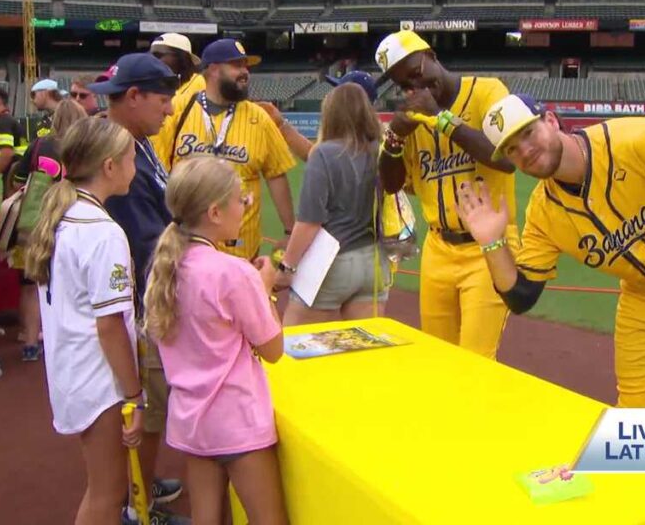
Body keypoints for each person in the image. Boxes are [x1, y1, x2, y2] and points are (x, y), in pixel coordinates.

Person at [455, 95, 645, 409]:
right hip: (644, 301)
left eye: (528, 133)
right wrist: (491, 242)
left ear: (551, 121)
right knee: (632, 416)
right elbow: (522, 296)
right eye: (511, 149)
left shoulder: (636, 140)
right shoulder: (544, 213)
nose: (525, 151)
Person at [144, 157, 288, 525]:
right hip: (237, 421)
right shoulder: (233, 272)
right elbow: (273, 349)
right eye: (241, 199)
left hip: (192, 422)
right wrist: (265, 290)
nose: (246, 206)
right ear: (214, 212)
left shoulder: (166, 268)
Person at [22, 117, 144, 524]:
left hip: (73, 370)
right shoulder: (103, 232)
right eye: (131, 158)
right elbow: (110, 325)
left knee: (103, 489)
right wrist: (134, 394)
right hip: (99, 379)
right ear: (109, 166)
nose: (135, 167)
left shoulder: (63, 214)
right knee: (108, 494)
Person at [86, 53, 189, 525]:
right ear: (133, 96)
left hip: (146, 296)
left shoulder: (138, 143)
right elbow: (146, 243)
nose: (170, 109)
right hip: (141, 302)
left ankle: (140, 486)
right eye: (163, 99)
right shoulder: (118, 153)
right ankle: (137, 506)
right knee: (146, 411)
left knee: (152, 410)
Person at [374, 29, 516, 360]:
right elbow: (391, 184)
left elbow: (507, 159)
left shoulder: (487, 91)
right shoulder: (413, 116)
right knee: (439, 357)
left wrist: (441, 119)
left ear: (431, 56)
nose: (415, 87)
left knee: (476, 360)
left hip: (488, 248)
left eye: (416, 73)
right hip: (438, 248)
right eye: (404, 85)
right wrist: (395, 137)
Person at [155, 39, 296, 261]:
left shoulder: (259, 117)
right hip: (187, 248)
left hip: (241, 249)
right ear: (213, 69)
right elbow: (159, 173)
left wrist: (289, 231)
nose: (245, 72)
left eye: (246, 66)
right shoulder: (178, 110)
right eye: (237, 65)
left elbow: (276, 175)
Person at [279, 83, 390, 325]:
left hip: (331, 262)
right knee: (361, 346)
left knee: (296, 342)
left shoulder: (324, 153)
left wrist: (287, 266)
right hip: (374, 262)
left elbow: (310, 221)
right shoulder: (380, 150)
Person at [8, 99, 88, 362]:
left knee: (31, 284)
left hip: (37, 222)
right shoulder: (86, 147)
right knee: (73, 285)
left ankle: (30, 343)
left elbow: (18, 181)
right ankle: (68, 344)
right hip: (74, 220)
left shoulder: (39, 145)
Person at [0, 86, 27, 197]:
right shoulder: (8, 120)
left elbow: (7, 153)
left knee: (9, 205)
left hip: (13, 172)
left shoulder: (4, 121)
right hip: (18, 172)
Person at [149, 32, 205, 100]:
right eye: (150, 56)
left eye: (158, 55)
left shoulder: (200, 83)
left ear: (181, 57)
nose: (152, 60)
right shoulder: (152, 84)